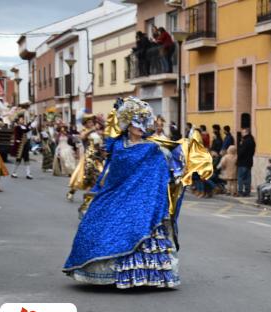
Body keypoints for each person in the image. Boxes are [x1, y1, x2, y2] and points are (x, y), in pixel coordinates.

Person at [63, 97, 213, 289]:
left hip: (144, 201)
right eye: (137, 123)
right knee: (96, 222)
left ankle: (145, 277)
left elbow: (162, 172)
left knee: (138, 224)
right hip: (116, 195)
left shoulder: (152, 148)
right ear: (128, 125)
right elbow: (114, 174)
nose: (141, 127)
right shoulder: (118, 147)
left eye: (144, 123)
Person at [67, 114, 105, 217]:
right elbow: (82, 137)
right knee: (83, 179)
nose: (91, 123)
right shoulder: (84, 131)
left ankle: (92, 202)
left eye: (92, 122)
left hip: (97, 159)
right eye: (89, 122)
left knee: (100, 179)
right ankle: (82, 201)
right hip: (88, 159)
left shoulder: (97, 133)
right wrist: (92, 129)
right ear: (85, 123)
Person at [10, 113, 34, 179]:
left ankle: (28, 174)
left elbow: (27, 128)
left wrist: (32, 120)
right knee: (18, 159)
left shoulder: (25, 126)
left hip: (25, 145)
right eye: (21, 119)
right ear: (18, 121)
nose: (22, 120)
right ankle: (14, 172)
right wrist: (30, 127)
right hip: (20, 146)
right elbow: (25, 130)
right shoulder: (17, 127)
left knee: (27, 159)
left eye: (23, 119)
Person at [237, 128, 255, 197]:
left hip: (242, 162)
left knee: (240, 177)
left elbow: (241, 152)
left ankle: (240, 191)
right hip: (249, 161)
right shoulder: (252, 140)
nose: (241, 133)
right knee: (248, 177)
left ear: (246, 132)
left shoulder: (245, 141)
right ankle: (247, 191)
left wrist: (240, 146)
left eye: (243, 132)